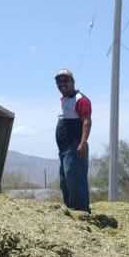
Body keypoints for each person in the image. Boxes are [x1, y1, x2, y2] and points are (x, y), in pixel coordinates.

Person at [53, 68, 91, 212]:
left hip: (74, 147)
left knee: (75, 180)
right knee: (65, 182)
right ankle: (70, 212)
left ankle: (82, 212)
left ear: (72, 82)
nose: (62, 84)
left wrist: (82, 143)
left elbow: (86, 121)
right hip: (64, 149)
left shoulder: (80, 99)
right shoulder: (64, 101)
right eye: (59, 81)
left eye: (65, 80)